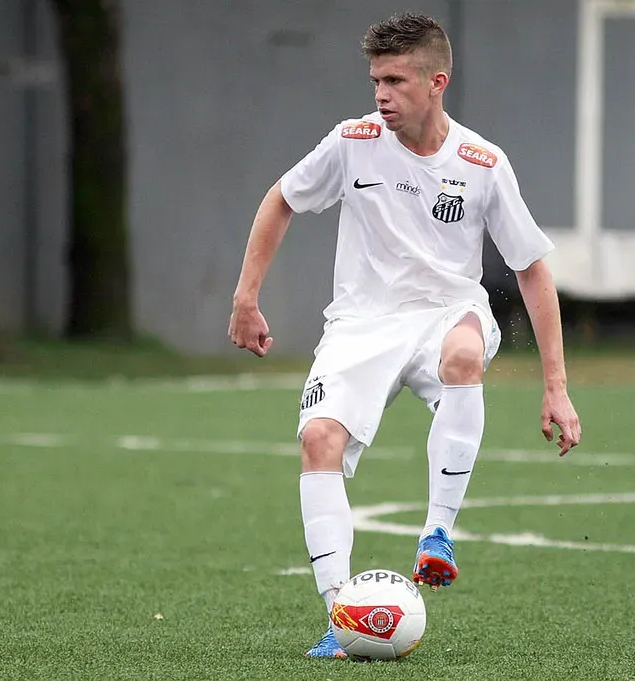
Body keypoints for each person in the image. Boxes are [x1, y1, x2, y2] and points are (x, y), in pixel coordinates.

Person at [228, 12, 581, 659]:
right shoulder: (351, 141)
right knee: (318, 439)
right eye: (375, 81)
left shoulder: (482, 163)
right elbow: (281, 198)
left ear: (436, 81)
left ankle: (437, 534)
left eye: (394, 81)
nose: (381, 94)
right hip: (361, 322)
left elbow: (532, 269)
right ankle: (339, 616)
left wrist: (555, 386)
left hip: (448, 310)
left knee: (464, 354)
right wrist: (246, 296)